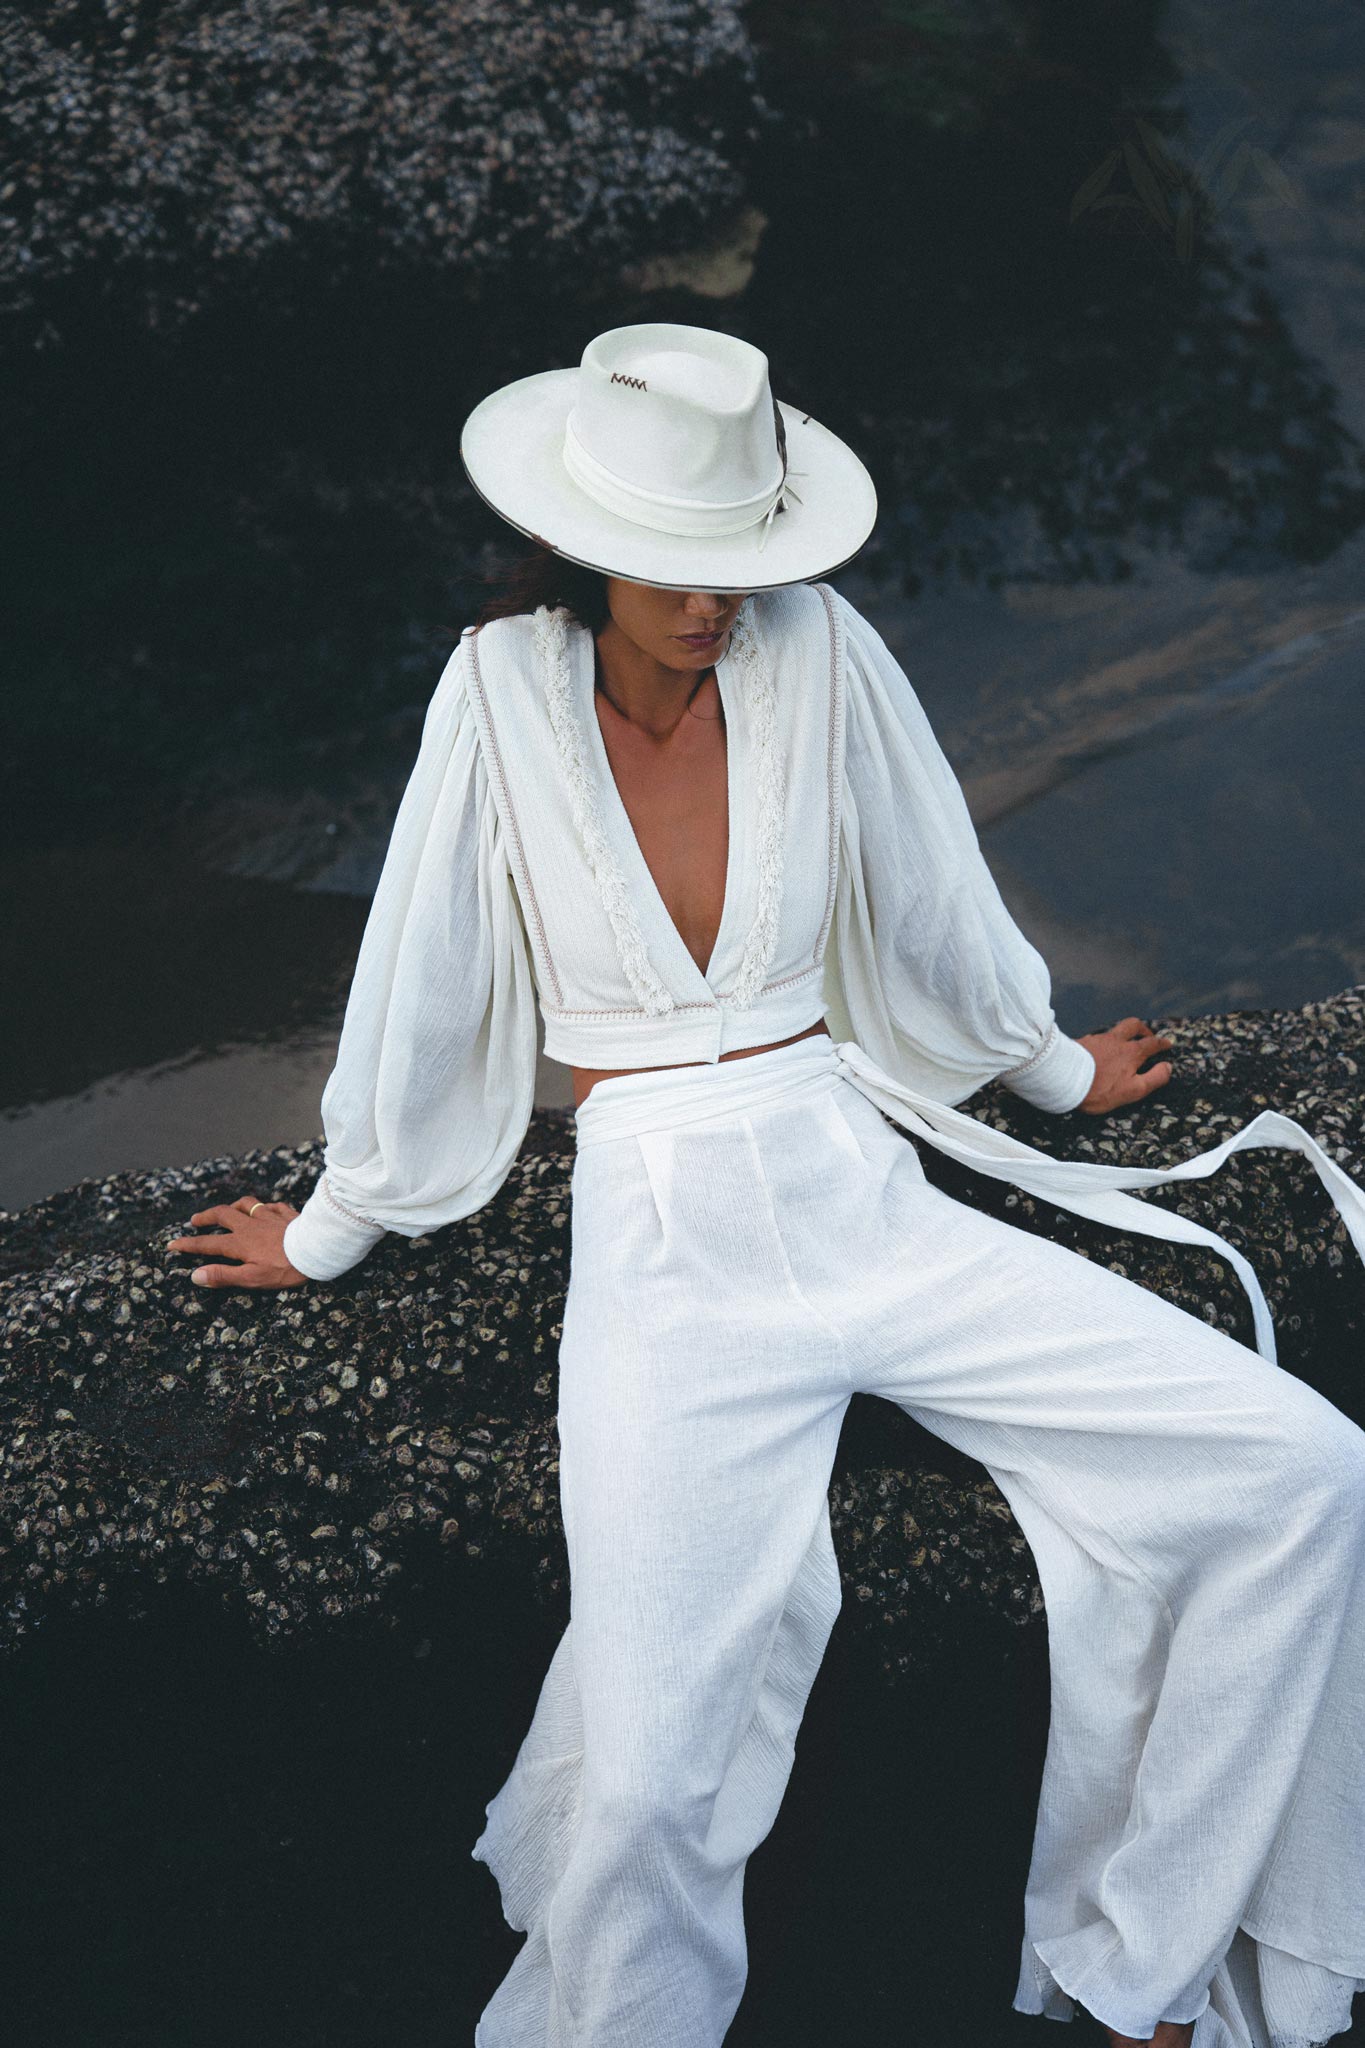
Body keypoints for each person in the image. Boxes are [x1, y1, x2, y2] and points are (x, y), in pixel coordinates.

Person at [168, 324, 1365, 2048]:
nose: (719, 600)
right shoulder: (495, 692)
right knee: (655, 1776)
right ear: (586, 540)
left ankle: (1143, 1977)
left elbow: (931, 879)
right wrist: (341, 1221)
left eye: (747, 560)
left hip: (864, 1189)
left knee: (1303, 1471)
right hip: (667, 1254)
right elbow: (422, 968)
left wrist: (1047, 1070)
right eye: (682, 565)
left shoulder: (819, 650)